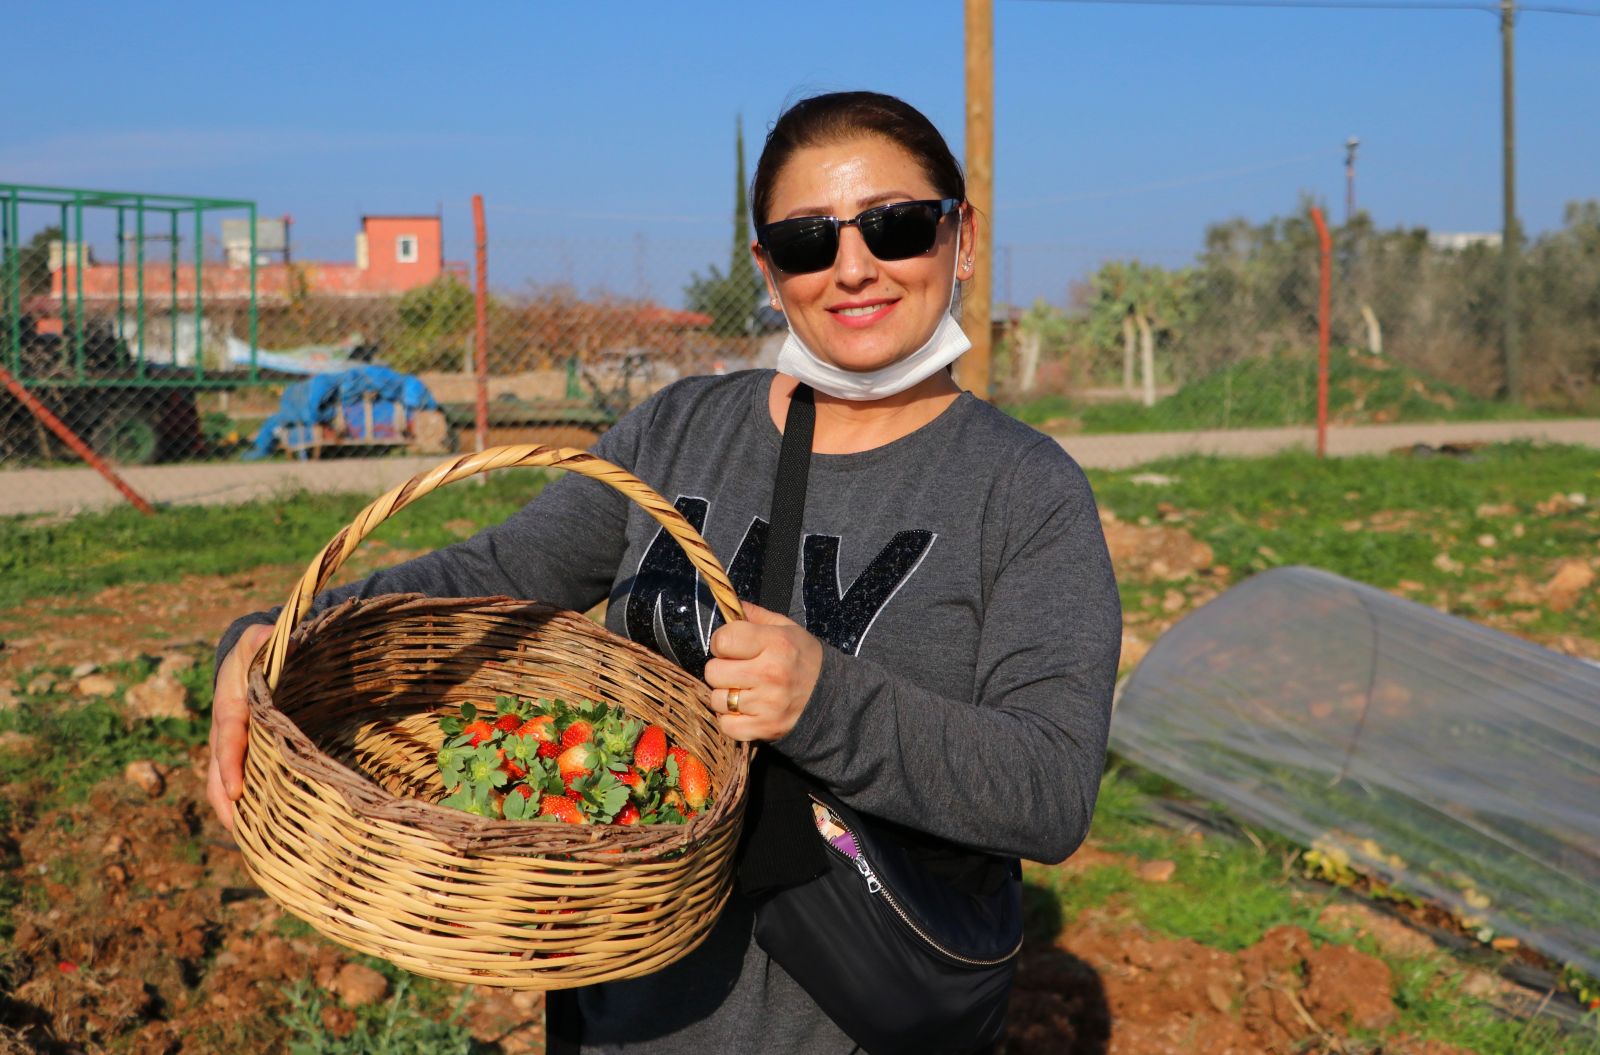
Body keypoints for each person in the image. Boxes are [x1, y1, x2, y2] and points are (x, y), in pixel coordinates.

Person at [208, 90, 1121, 1054]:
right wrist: (276, 631)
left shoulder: (1023, 490)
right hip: (623, 1008)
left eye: (894, 226)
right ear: (770, 272)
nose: (854, 267)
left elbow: (1051, 785)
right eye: (809, 241)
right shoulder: (682, 430)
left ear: (960, 238)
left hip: (852, 1019)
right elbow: (499, 571)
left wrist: (825, 699)